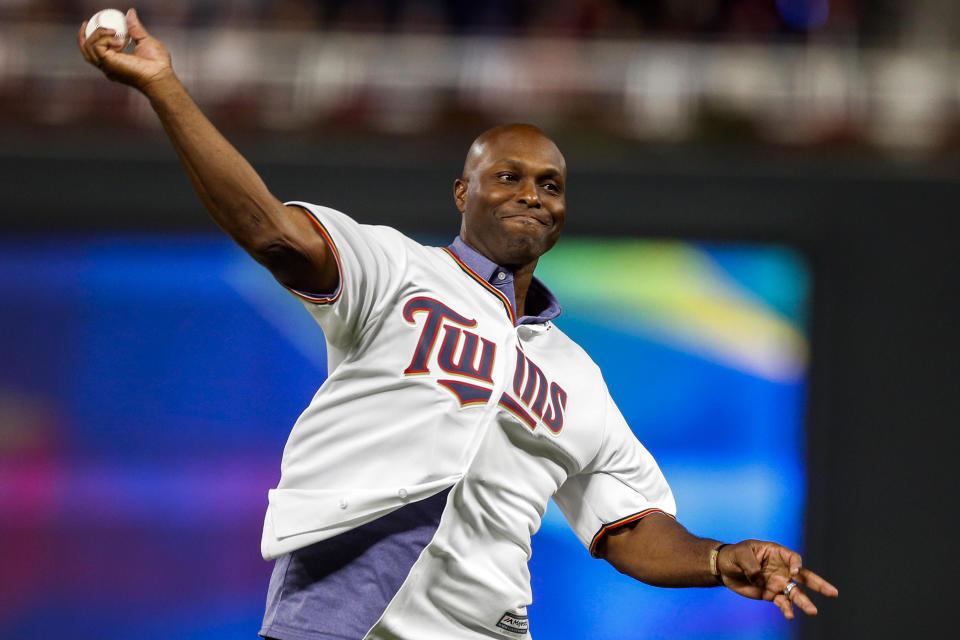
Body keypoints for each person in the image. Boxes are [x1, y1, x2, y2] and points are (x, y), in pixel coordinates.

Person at [79, 10, 838, 640]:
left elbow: (631, 525)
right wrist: (165, 89)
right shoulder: (396, 270)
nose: (532, 193)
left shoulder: (576, 378)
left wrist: (719, 558)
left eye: (551, 184)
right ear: (461, 192)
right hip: (342, 614)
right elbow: (272, 233)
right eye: (507, 175)